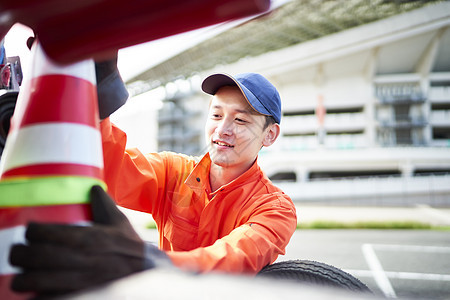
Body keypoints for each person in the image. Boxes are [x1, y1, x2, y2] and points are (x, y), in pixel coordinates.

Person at [9, 72, 297, 296]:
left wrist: (151, 262)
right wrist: (98, 106)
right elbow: (112, 169)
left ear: (270, 135)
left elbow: (236, 257)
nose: (223, 130)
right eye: (217, 115)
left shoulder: (275, 208)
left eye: (241, 120)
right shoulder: (174, 171)